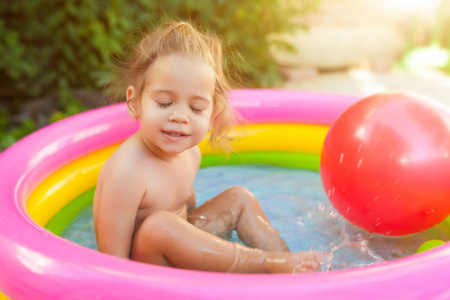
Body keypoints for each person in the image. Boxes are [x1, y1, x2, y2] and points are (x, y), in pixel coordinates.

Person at [93, 20, 324, 273]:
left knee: (239, 197)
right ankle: (263, 264)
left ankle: (292, 263)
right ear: (135, 102)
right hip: (152, 273)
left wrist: (204, 247)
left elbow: (189, 216)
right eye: (164, 102)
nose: (180, 116)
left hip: (183, 253)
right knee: (157, 226)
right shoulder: (127, 172)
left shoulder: (191, 154)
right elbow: (112, 264)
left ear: (213, 112)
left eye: (196, 108)